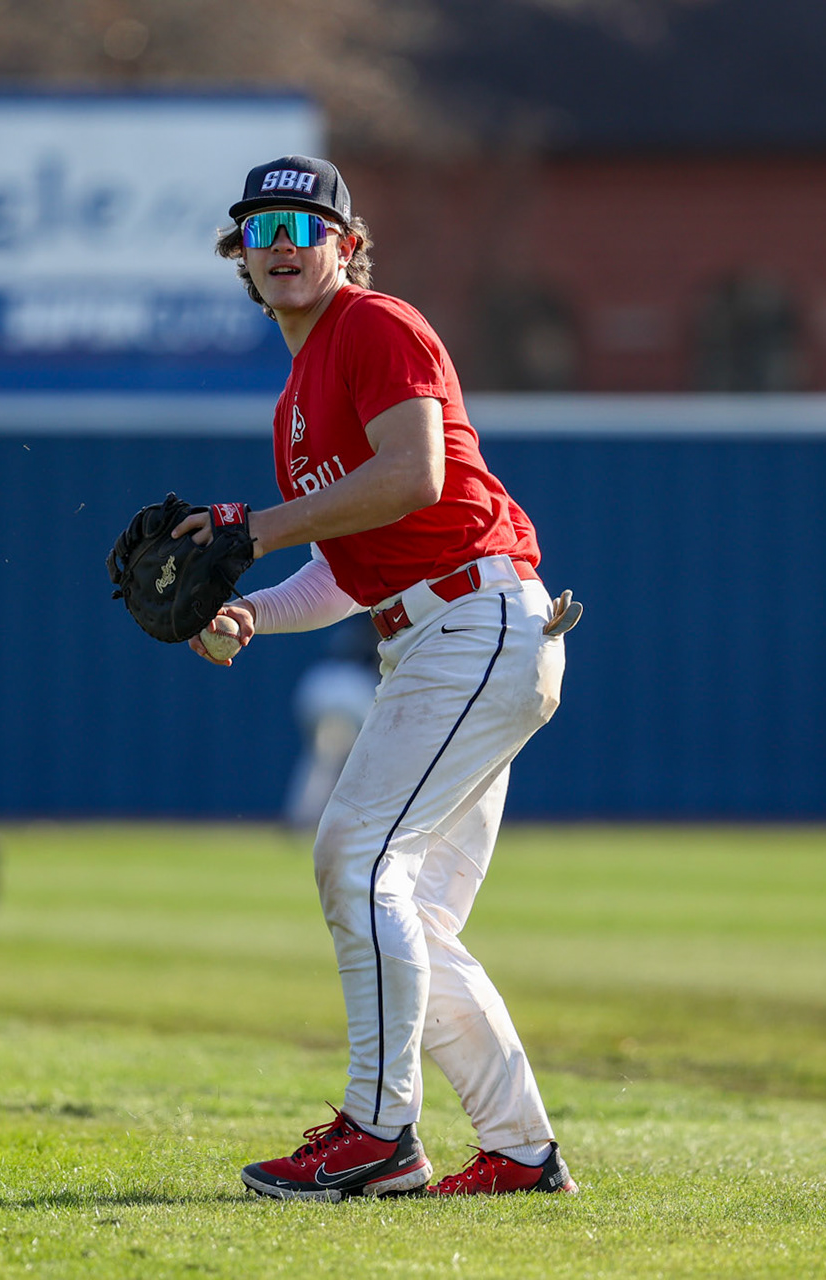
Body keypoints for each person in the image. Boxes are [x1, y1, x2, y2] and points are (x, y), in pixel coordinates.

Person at [177, 155, 580, 1199]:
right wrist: (251, 610)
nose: (282, 243)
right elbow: (351, 570)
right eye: (262, 226)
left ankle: (380, 1131)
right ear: (240, 255)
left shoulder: (374, 325)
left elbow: (415, 476)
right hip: (441, 632)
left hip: (475, 620)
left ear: (346, 247)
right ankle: (522, 1149)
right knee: (407, 912)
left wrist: (252, 528)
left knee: (354, 857)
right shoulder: (296, 394)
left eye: (306, 227)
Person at [282, 616, 382, 830]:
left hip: (318, 684)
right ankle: (308, 819)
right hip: (349, 691)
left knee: (322, 759)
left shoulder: (350, 626)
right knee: (340, 761)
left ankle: (304, 817)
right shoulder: (382, 623)